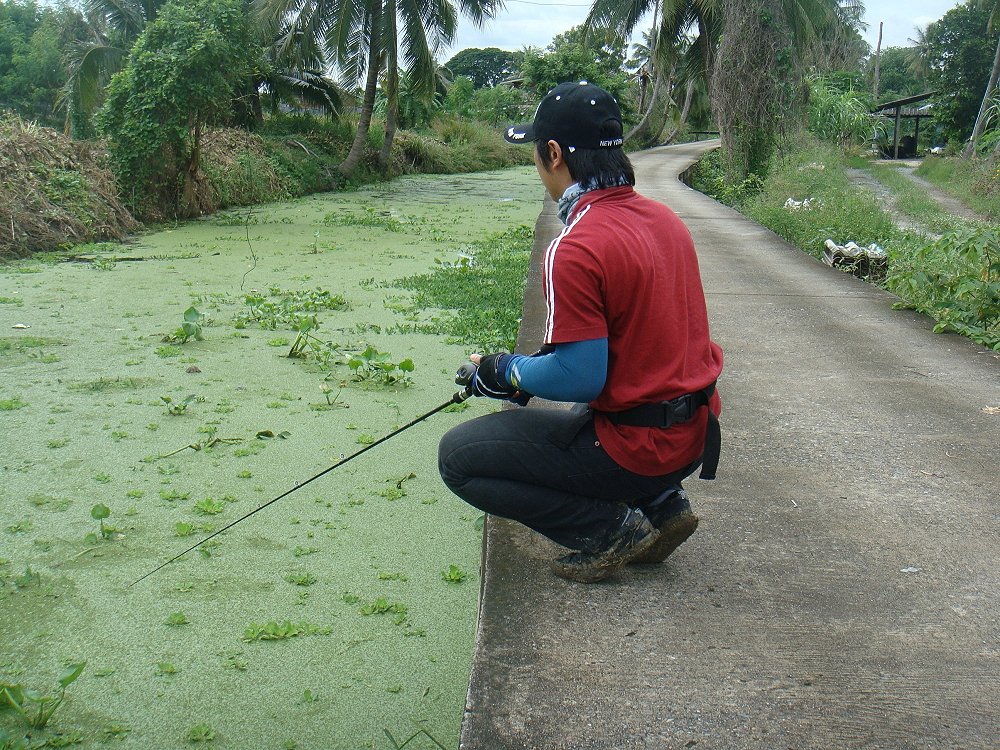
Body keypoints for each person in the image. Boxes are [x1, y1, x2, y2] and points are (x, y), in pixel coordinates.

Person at [438, 81, 723, 583]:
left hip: (636, 450)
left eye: (535, 151)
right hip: (692, 436)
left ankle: (611, 529)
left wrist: (505, 370)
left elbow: (579, 377)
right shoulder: (663, 220)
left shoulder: (576, 246)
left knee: (459, 458)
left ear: (553, 153)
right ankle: (662, 504)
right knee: (585, 408)